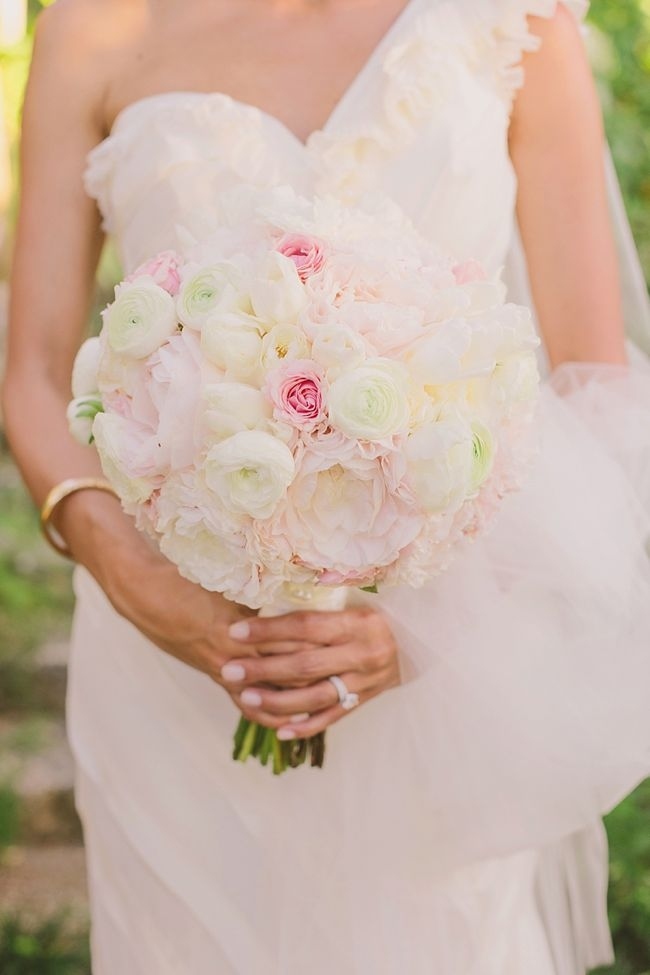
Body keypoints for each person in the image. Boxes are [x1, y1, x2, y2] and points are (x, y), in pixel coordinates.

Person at [3, 0, 650, 971]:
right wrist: (130, 575)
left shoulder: (513, 24)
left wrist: (430, 636)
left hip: (434, 663)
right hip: (167, 660)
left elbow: (591, 386)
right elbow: (33, 376)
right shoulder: (94, 26)